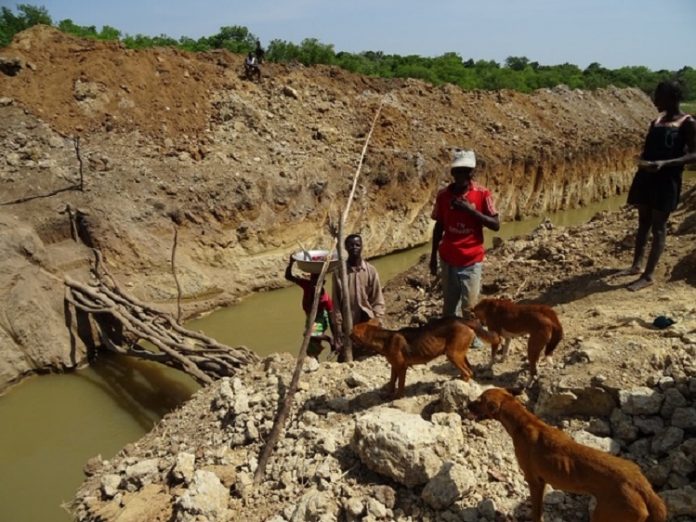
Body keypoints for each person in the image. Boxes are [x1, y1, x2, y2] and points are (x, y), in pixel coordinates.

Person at [622, 80, 696, 291]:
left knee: (659, 226)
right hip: (647, 176)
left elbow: (693, 154)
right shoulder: (656, 122)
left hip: (667, 180)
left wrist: (665, 163)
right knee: (643, 221)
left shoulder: (687, 123)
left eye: (659, 96)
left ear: (673, 98)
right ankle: (636, 266)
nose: (655, 100)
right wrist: (643, 160)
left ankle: (648, 275)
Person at [430, 149, 500, 318]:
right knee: (449, 306)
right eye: (457, 171)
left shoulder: (482, 194)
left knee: (470, 307)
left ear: (471, 172)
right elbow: (439, 226)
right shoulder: (443, 196)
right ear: (452, 173)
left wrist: (471, 211)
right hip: (448, 258)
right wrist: (433, 257)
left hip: (471, 259)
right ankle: (451, 337)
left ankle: (472, 337)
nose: (461, 175)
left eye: (465, 171)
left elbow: (496, 224)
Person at [332, 233, 385, 358]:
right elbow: (336, 302)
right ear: (345, 248)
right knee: (346, 356)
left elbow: (377, 298)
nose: (354, 247)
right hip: (349, 321)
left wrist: (377, 319)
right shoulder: (339, 273)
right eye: (351, 245)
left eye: (357, 245)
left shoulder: (371, 271)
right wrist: (338, 327)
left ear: (361, 247)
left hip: (367, 319)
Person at [285, 255, 338, 358]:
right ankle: (314, 360)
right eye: (313, 279)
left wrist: (334, 337)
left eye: (318, 281)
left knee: (309, 334)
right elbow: (288, 276)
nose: (315, 283)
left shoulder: (325, 298)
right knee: (311, 343)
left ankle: (329, 340)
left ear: (323, 283)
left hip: (319, 318)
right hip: (309, 316)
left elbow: (331, 318)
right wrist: (291, 263)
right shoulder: (307, 284)